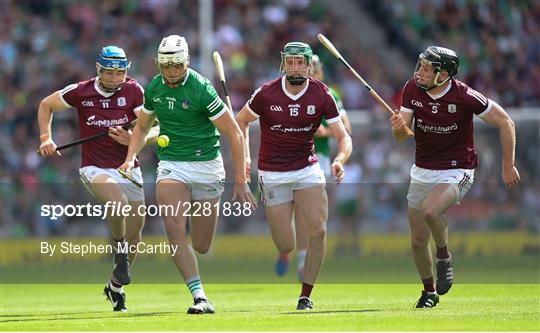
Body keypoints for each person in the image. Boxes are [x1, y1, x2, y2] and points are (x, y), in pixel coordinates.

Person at [119, 35, 255, 315]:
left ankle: (196, 269)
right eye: (165, 65)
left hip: (207, 166)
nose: (170, 72)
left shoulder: (201, 89)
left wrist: (240, 180)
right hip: (172, 165)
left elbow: (234, 133)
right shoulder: (155, 87)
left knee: (202, 245)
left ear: (187, 63)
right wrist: (130, 157)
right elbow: (142, 128)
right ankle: (199, 296)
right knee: (173, 228)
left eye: (176, 65)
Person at [390, 46, 521, 308]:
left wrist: (508, 165)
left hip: (457, 170)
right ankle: (429, 292)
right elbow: (402, 134)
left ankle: (443, 257)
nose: (420, 72)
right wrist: (398, 129)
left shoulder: (464, 95)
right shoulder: (411, 90)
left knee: (430, 212)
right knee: (417, 241)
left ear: (444, 74)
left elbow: (506, 122)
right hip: (422, 171)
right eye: (420, 66)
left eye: (428, 69)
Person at [37, 46, 158, 312]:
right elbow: (46, 105)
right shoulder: (81, 91)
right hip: (95, 168)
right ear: (98, 69)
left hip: (129, 167)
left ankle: (115, 286)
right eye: (110, 72)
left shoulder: (134, 90)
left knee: (136, 237)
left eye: (120, 72)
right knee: (118, 203)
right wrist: (46, 138)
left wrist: (135, 139)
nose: (116, 78)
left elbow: (153, 126)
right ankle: (119, 251)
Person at [236, 42, 352, 310]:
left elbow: (343, 135)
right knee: (285, 243)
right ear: (283, 64)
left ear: (309, 65)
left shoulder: (322, 94)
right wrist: (245, 157)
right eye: (291, 62)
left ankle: (305, 296)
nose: (296, 67)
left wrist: (339, 159)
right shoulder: (266, 93)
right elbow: (241, 121)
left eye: (301, 62)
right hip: (273, 173)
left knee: (318, 231)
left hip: (307, 168)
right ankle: (288, 254)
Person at [274, 54, 353, 280]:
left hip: (318, 158)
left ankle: (301, 261)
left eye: (315, 69)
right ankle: (285, 249)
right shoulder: (287, 91)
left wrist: (324, 132)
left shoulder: (330, 94)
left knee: (303, 211)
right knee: (285, 209)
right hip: (287, 159)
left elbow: (346, 129)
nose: (312, 73)